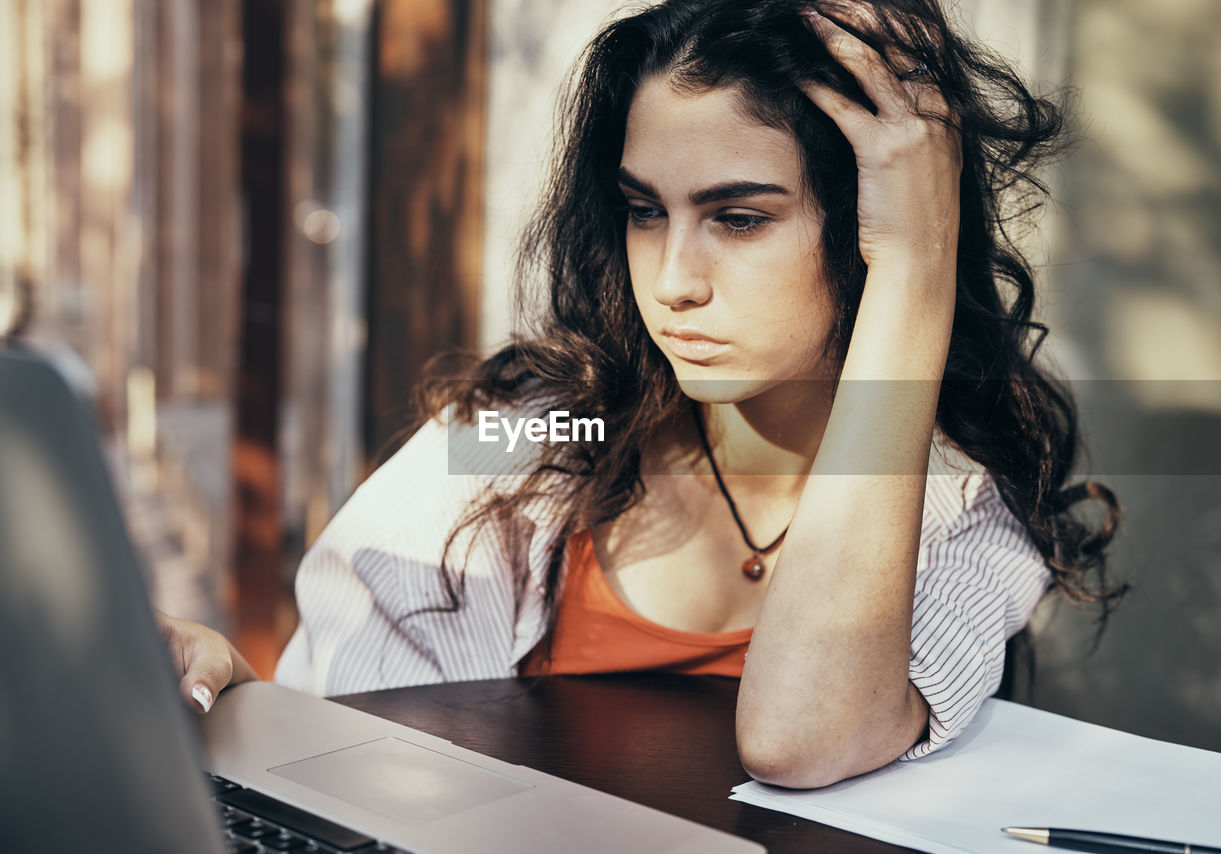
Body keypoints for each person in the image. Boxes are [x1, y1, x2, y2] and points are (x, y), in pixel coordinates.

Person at [157, 0, 1125, 788]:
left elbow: (800, 737)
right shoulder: (551, 430)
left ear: (870, 225)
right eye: (642, 211)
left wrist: (915, 269)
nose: (672, 280)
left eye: (738, 218)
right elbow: (346, 729)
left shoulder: (960, 502)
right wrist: (234, 694)